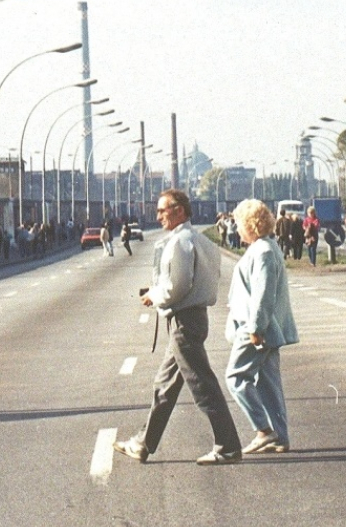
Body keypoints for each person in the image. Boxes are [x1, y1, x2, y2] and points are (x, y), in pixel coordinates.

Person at [114, 189, 243, 466]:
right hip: (191, 317)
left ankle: (228, 445)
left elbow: (178, 285)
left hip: (185, 320)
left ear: (180, 210)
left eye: (163, 210)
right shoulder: (199, 240)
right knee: (164, 385)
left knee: (202, 384)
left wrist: (155, 296)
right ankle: (143, 443)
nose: (158, 215)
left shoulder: (180, 242)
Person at [225, 200, 298, 454]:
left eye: (239, 224)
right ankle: (280, 436)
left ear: (251, 225)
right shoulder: (265, 248)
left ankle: (263, 431)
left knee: (235, 377)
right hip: (265, 326)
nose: (237, 229)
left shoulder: (263, 251)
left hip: (256, 327)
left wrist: (255, 328)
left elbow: (263, 294)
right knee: (268, 384)